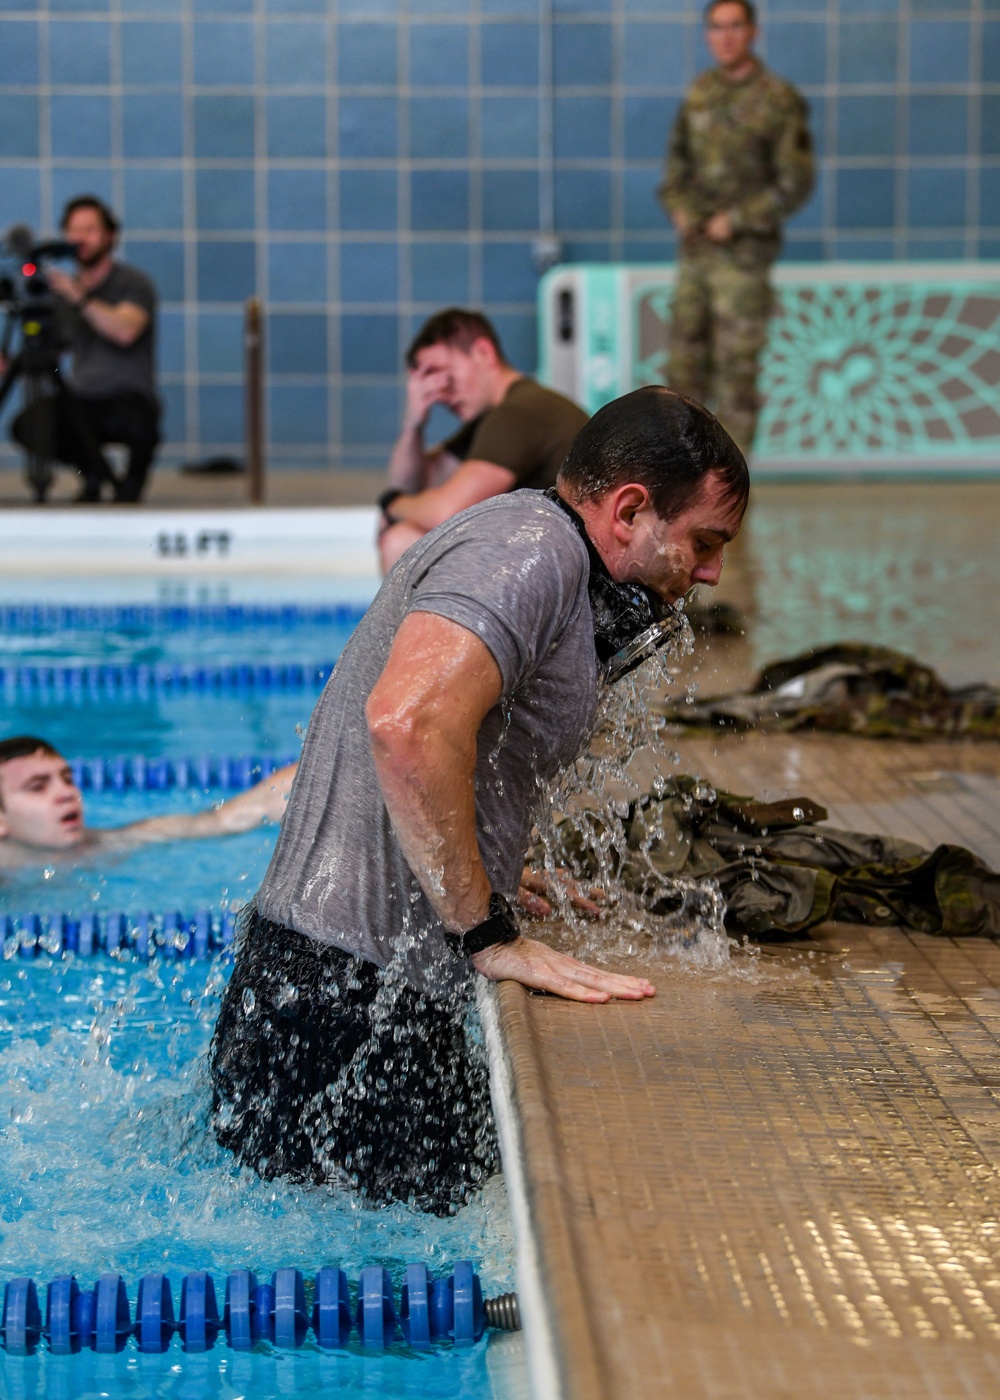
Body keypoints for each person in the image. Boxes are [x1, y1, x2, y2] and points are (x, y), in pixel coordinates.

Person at [210, 386, 749, 1214]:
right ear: (631, 509)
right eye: (704, 542)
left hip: (339, 990)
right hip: (339, 1009)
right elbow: (406, 724)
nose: (712, 572)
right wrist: (488, 929)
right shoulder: (528, 554)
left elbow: (470, 738)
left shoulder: (542, 548)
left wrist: (494, 863)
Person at [657, 0, 814, 457]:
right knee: (684, 368)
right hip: (696, 254)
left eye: (735, 27)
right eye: (717, 28)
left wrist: (738, 219)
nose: (725, 36)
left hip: (743, 260)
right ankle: (680, 476)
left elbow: (795, 183)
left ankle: (731, 483)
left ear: (752, 33)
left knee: (737, 370)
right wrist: (680, 208)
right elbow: (676, 167)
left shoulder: (777, 98)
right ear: (708, 35)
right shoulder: (700, 93)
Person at [377, 307, 588, 571]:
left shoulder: (519, 413)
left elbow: (444, 511)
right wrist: (413, 424)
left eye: (444, 373)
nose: (440, 391)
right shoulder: (496, 414)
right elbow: (416, 486)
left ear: (483, 353)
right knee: (405, 527)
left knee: (402, 540)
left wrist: (391, 504)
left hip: (575, 576)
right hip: (555, 559)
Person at [10, 195, 161, 503]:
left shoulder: (132, 283)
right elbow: (53, 351)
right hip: (82, 399)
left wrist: (79, 298)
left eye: (90, 229)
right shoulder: (63, 294)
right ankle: (92, 473)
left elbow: (126, 331)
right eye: (74, 230)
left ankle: (130, 484)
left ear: (110, 236)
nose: (81, 239)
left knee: (141, 420)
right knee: (28, 425)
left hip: (127, 398)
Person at [0, 735, 296, 869]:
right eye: (38, 787)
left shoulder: (105, 844)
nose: (66, 792)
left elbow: (220, 820)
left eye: (67, 779)